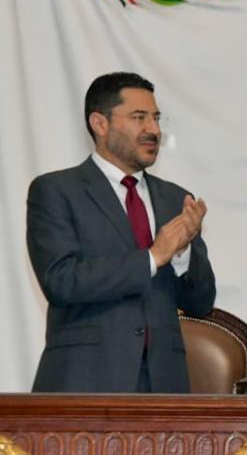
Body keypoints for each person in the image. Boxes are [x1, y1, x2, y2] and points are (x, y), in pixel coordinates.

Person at [27, 72, 216, 393]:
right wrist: (154, 257)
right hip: (84, 381)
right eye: (139, 117)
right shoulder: (56, 190)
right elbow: (61, 281)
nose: (153, 130)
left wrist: (181, 254)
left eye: (156, 118)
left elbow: (201, 303)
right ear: (100, 124)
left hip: (163, 385)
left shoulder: (175, 198)